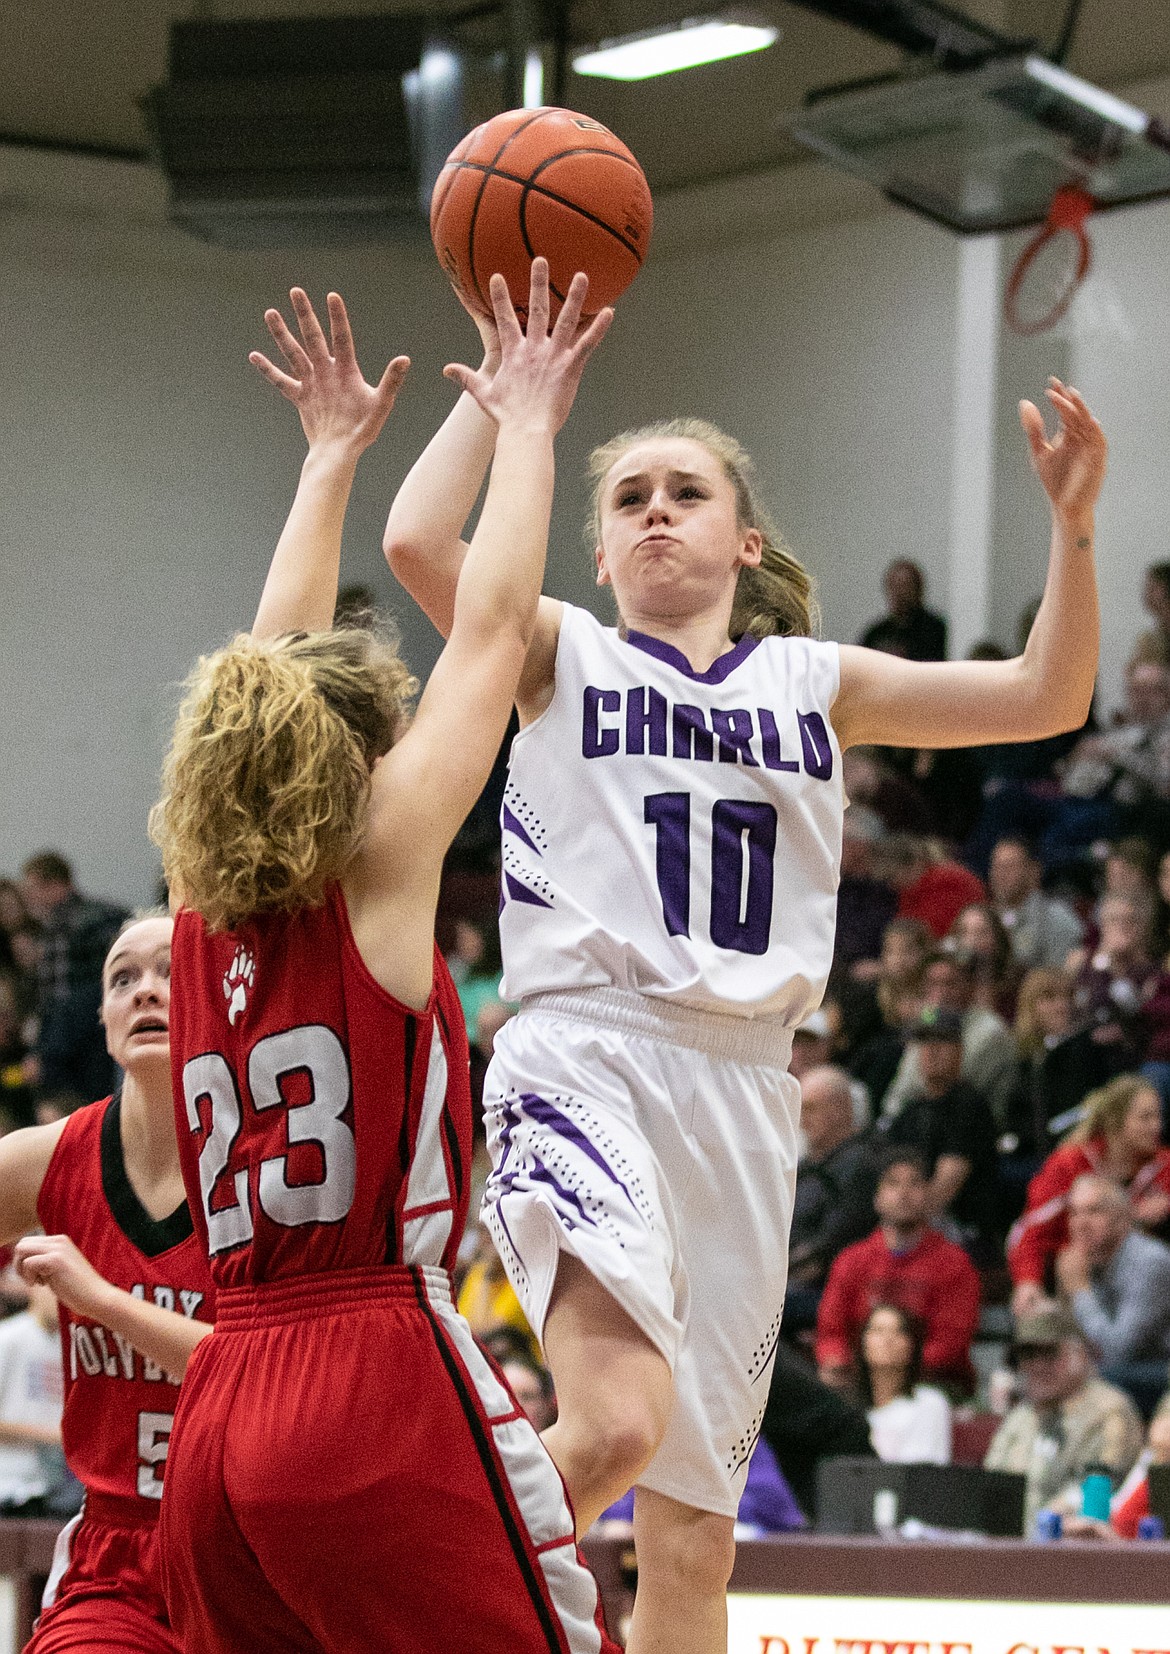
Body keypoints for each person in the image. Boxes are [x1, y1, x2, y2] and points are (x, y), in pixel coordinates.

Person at [384, 336, 1104, 1652]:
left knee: (694, 1533)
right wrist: (507, 414)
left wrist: (1066, 530)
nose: (654, 506)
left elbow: (1045, 692)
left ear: (745, 538)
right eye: (629, 496)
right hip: (583, 1051)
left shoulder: (810, 682)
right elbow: (424, 545)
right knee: (606, 1422)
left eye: (685, 489)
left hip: (746, 1092)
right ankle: (387, 1608)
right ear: (596, 551)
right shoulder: (562, 649)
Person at [151, 270, 618, 1654]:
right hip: (371, 1369)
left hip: (222, 1397)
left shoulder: (192, 907)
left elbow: (268, 663)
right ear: (355, 753)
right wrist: (525, 420)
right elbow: (490, 631)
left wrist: (329, 458)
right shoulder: (383, 862)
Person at [0, 913, 216, 1654]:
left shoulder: (265, 1165)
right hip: (115, 1557)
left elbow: (263, 1375)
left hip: (254, 1549)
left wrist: (101, 1302)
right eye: (123, 978)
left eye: (169, 969)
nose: (145, 991)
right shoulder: (48, 1158)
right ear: (101, 1016)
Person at [816, 1148, 981, 1391]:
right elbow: (831, 1333)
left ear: (927, 1194)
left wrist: (894, 1367)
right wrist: (849, 1363)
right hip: (861, 1380)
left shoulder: (954, 1264)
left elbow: (950, 1343)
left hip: (931, 1383)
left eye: (914, 1184)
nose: (903, 1193)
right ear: (877, 1197)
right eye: (893, 1184)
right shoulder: (851, 1260)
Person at [1008, 1075, 1170, 1315]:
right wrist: (1027, 1281)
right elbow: (1030, 1229)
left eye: (1158, 1116)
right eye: (1145, 1118)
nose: (1157, 1126)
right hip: (1076, 1276)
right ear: (1115, 1122)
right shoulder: (1070, 1164)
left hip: (1144, 1284)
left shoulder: (1163, 1164)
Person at [985, 1305, 1143, 1533]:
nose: (1037, 1365)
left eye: (1049, 1353)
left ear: (1079, 1355)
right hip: (1005, 1545)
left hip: (1071, 1550)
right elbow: (991, 1481)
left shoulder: (1108, 1410)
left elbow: (1097, 1490)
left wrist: (1038, 1527)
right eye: (1028, 1354)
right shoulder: (1020, 1415)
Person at [874, 1006, 999, 1256]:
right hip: (913, 1225)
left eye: (942, 1041)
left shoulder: (968, 1105)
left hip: (962, 1231)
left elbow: (945, 1189)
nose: (931, 1050)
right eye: (924, 1042)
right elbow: (889, 1174)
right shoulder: (911, 1110)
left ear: (960, 1051)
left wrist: (902, 1220)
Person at [1056, 1173, 1170, 1417]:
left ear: (1123, 1219)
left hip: (1160, 1372)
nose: (1081, 1223)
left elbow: (1118, 1354)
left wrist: (1079, 1291)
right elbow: (1068, 1341)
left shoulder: (1150, 1261)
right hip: (1120, 1373)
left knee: (1094, 1379)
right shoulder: (1082, 1261)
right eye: (1074, 1213)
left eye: (1094, 1211)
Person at [20, 852, 127, 1102]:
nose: (29, 898)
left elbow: (58, 994)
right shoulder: (105, 913)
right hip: (101, 1026)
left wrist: (45, 1050)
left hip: (80, 1036)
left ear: (55, 884)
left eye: (33, 888)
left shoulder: (65, 925)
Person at [786, 1065, 879, 1330]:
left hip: (828, 1286)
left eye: (812, 1108)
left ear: (841, 1109)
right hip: (791, 1278)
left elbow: (835, 1238)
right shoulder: (804, 1165)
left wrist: (784, 1270)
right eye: (801, 1108)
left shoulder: (861, 1165)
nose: (803, 1119)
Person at [881, 948, 1017, 1127]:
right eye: (932, 984)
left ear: (970, 987)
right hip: (925, 1123)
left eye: (950, 984)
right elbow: (897, 1095)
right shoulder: (930, 1022)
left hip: (974, 1127)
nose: (940, 993)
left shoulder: (990, 1030)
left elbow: (943, 1083)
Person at [856, 1303, 952, 1465]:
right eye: (878, 1330)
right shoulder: (848, 1407)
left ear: (912, 1346)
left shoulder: (929, 1403)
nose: (888, 1339)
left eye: (899, 1331)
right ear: (863, 1343)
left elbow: (923, 1470)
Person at [0, 1278, 63, 1509]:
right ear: (34, 1286)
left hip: (50, 1486)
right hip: (8, 1484)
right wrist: (52, 1435)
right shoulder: (7, 1337)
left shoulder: (67, 1344)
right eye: (54, 1289)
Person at [986, 837, 1084, 972]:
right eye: (996, 866)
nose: (1001, 874)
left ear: (1033, 871)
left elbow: (1060, 978)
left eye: (1010, 866)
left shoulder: (1057, 918)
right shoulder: (984, 918)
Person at [857, 559, 947, 662]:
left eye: (906, 586)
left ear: (919, 588)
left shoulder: (935, 630)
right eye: (895, 586)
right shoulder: (876, 634)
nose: (900, 593)